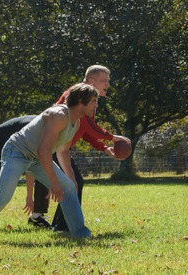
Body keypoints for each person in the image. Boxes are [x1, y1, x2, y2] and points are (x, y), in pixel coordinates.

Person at [0, 83, 97, 244]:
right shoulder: (59, 116)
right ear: (80, 100)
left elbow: (61, 151)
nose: (96, 105)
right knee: (2, 196)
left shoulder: (75, 122)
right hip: (16, 153)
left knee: (69, 188)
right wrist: (54, 182)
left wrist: (68, 180)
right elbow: (44, 150)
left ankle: (80, 234)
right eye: (93, 101)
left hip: (35, 158)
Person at [31, 65, 130, 232]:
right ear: (91, 81)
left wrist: (105, 147)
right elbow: (89, 126)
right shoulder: (79, 95)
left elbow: (84, 130)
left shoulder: (89, 99)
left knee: (72, 183)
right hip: (50, 147)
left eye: (108, 80)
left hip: (60, 148)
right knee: (72, 183)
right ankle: (61, 226)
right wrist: (112, 137)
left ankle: (59, 225)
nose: (108, 84)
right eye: (104, 80)